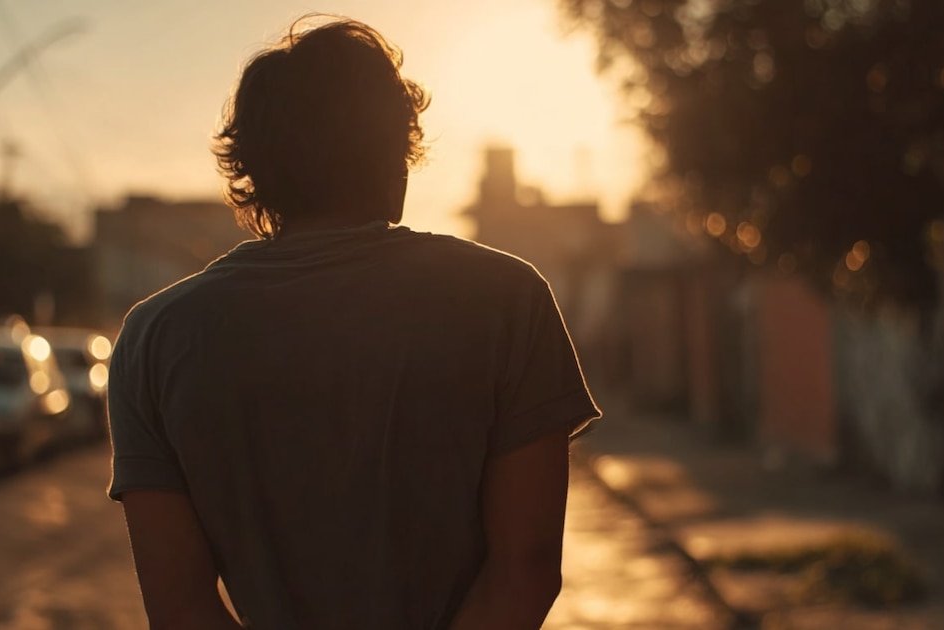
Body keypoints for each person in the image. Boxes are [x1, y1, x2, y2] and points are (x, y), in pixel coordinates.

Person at [107, 17, 600, 630]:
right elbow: (524, 572)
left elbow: (180, 608)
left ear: (253, 173)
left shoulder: (155, 338)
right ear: (398, 160)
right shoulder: (507, 299)